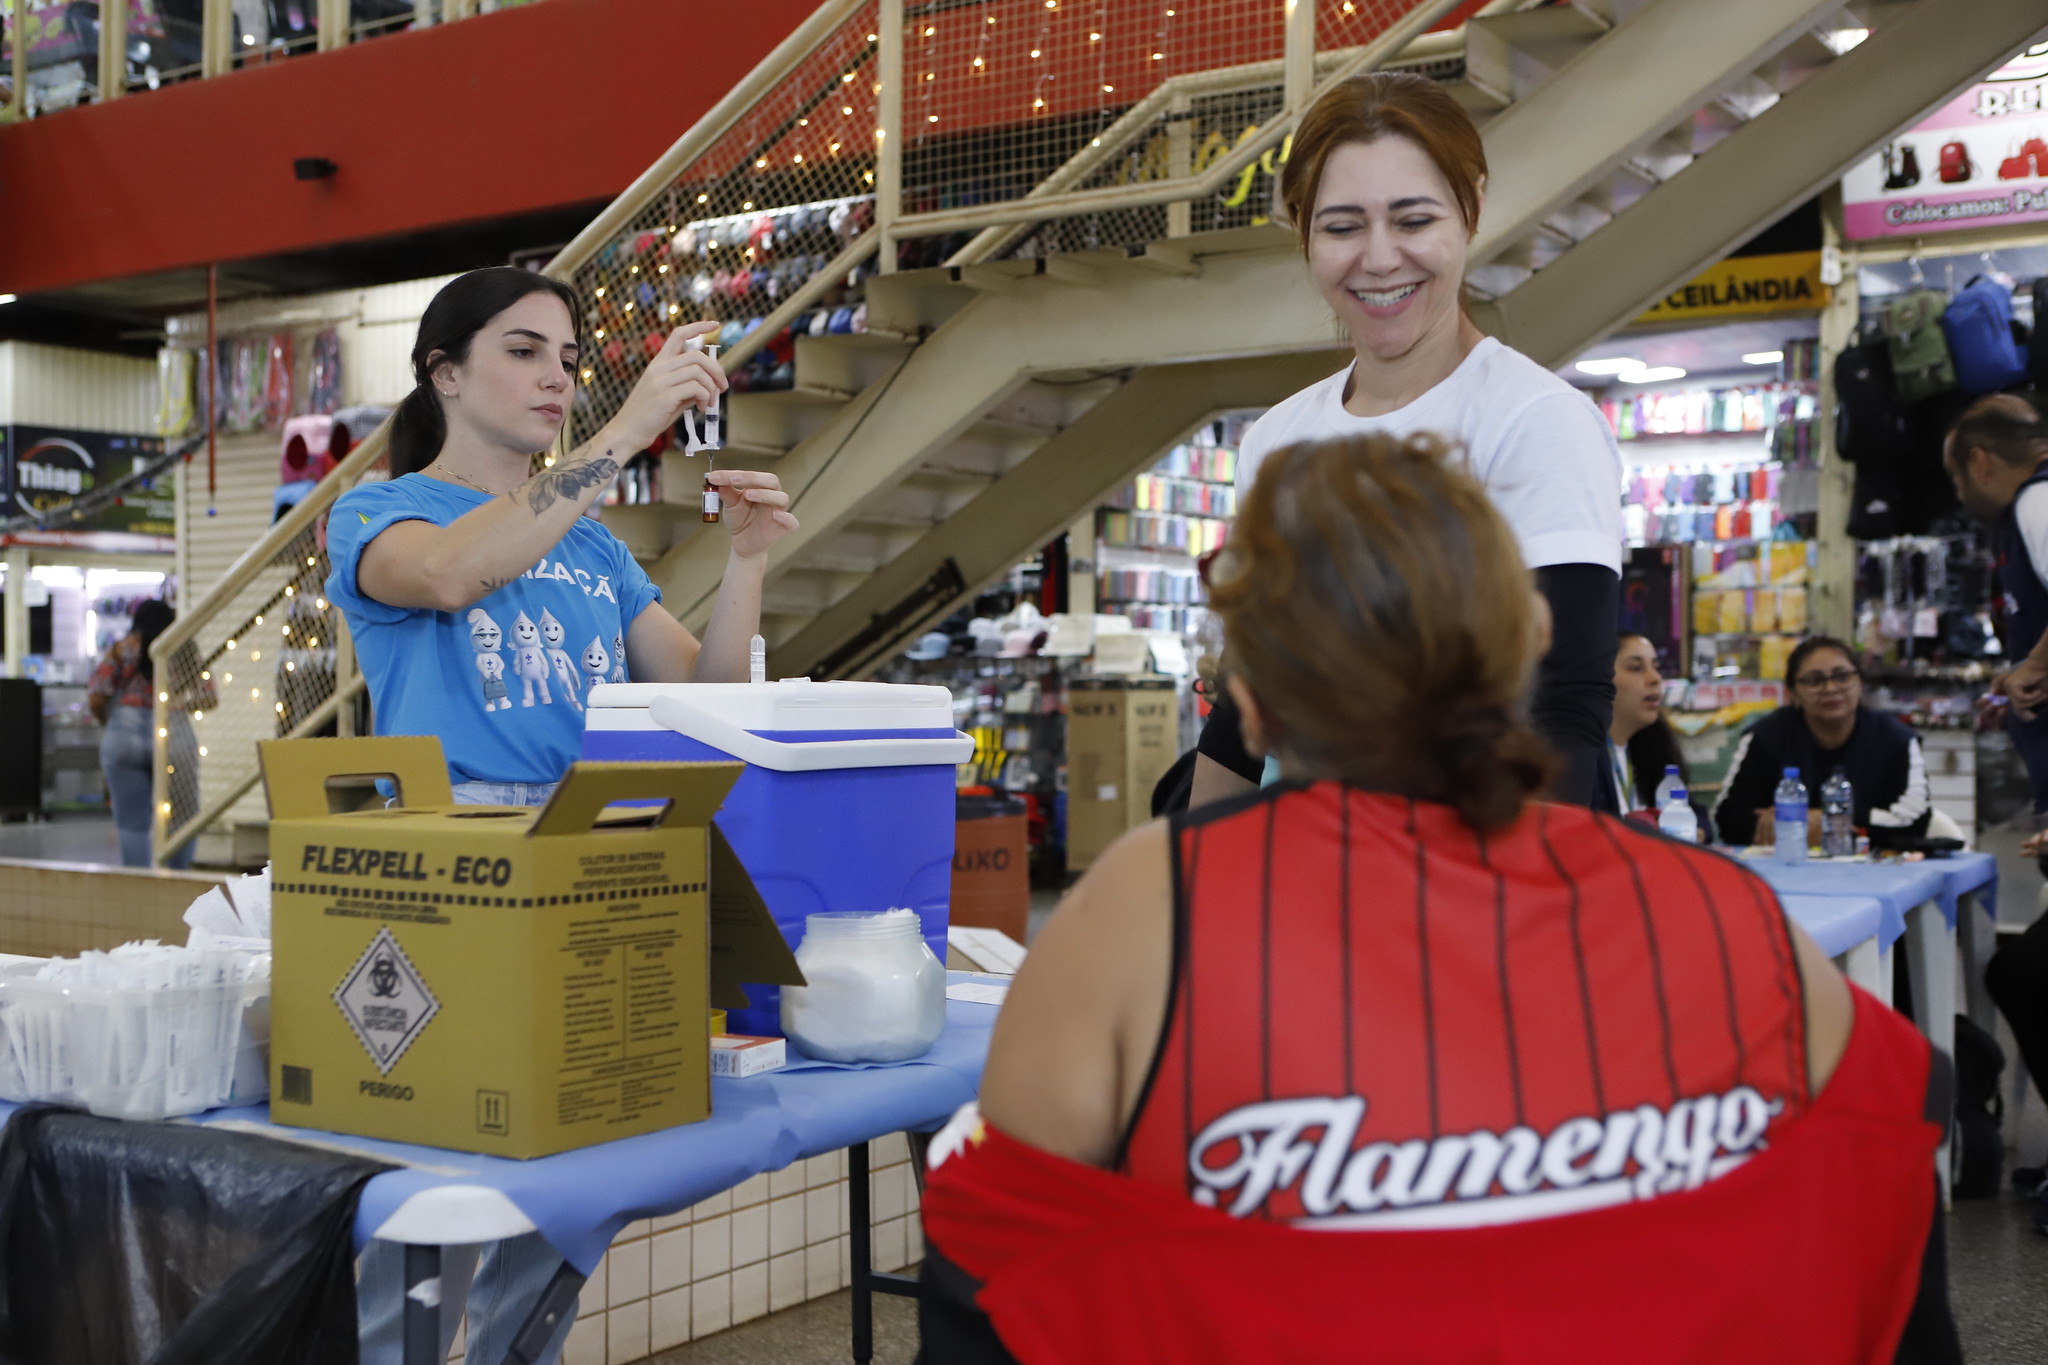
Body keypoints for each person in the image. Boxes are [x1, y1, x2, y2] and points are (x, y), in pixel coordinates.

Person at [917, 433, 1954, 1363]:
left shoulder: (1144, 907)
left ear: (1242, 697)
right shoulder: (1719, 912)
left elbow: (995, 1281)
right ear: (1533, 637)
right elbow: (1892, 1153)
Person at [325, 267, 797, 1365]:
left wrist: (746, 567)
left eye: (570, 360)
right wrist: (627, 428)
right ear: (445, 371)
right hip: (452, 866)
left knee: (574, 1185)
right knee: (432, 1189)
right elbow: (449, 576)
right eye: (525, 350)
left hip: (587, 857)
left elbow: (706, 703)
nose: (557, 377)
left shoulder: (592, 548)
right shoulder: (381, 512)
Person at [1190, 71, 1622, 811]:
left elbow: (1565, 714)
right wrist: (1189, 882)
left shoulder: (1534, 420)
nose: (1381, 258)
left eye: (1414, 220)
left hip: (1484, 880)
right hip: (1317, 869)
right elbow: (1247, 701)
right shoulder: (1275, 440)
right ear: (1304, 233)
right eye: (1342, 226)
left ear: (1472, 209)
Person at [1945, 393, 2048, 1224]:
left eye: (1956, 476)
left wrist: (2028, 667)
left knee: (2027, 969)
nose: (1958, 496)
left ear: (1981, 459)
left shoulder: (2037, 502)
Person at [1710, 637, 1930, 849]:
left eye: (1842, 676)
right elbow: (1727, 818)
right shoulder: (1764, 737)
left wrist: (1820, 819)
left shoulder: (1897, 739)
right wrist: (1854, 824)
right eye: (1814, 680)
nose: (1831, 688)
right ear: (1792, 694)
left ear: (1860, 682)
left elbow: (1914, 823)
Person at [88, 599, 198, 868]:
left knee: (132, 824)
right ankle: (177, 884)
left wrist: (109, 721)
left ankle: (138, 887)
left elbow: (96, 695)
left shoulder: (122, 649)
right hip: (174, 734)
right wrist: (179, 705)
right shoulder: (183, 648)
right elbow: (209, 695)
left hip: (124, 734)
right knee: (183, 819)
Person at [1609, 632, 1689, 816]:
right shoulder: (1585, 758)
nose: (1655, 679)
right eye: (1636, 668)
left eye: (1656, 667)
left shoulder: (1651, 742)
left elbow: (1692, 809)